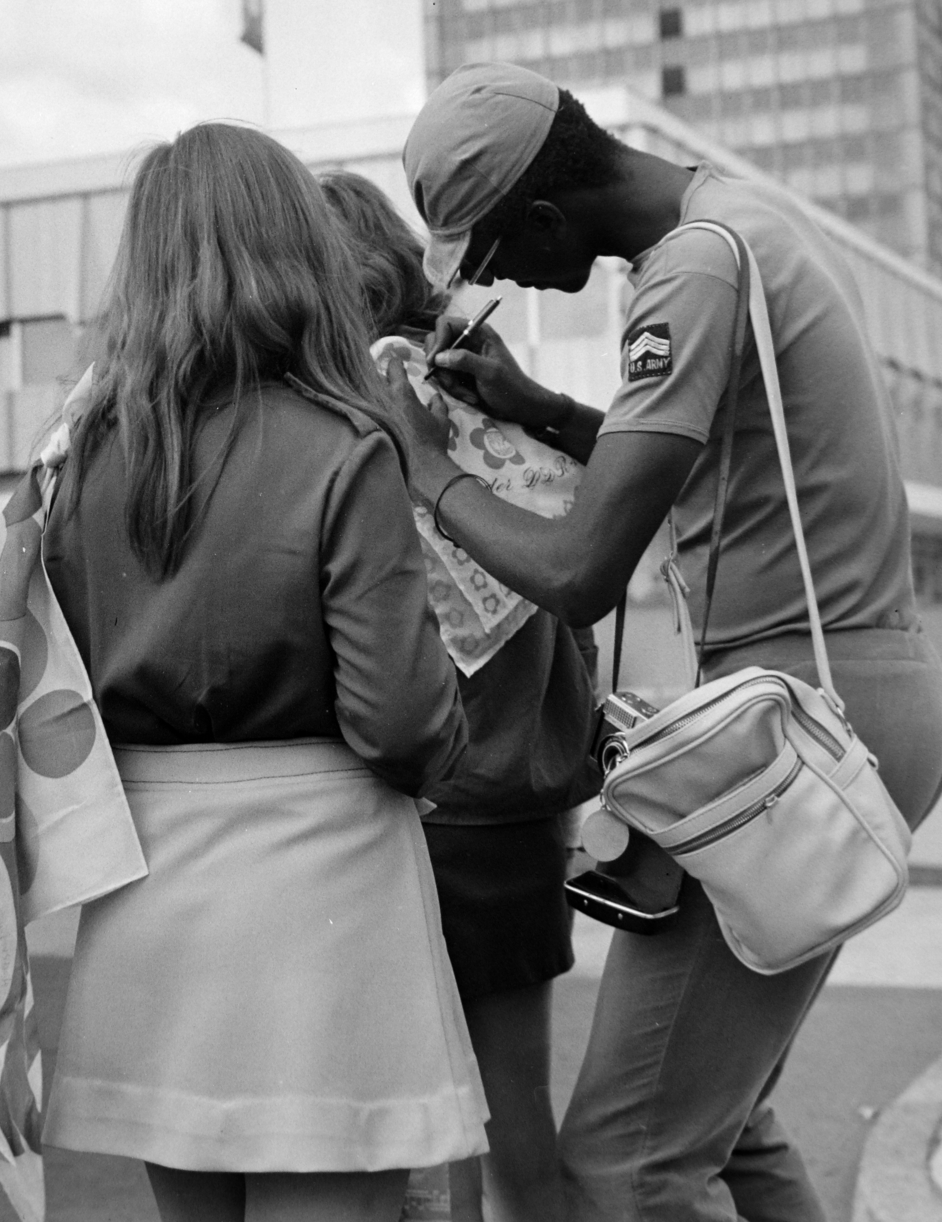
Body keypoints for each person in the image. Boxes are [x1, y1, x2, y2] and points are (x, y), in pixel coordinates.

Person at [386, 63, 942, 1222]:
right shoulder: (734, 225)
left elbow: (576, 570)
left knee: (626, 1164)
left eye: (493, 255)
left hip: (796, 711)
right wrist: (537, 407)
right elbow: (710, 454)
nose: (498, 282)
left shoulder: (688, 272)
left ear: (546, 214)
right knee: (723, 1121)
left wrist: (423, 463)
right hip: (855, 686)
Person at [41, 123, 488, 1222]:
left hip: (146, 876)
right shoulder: (344, 443)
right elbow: (398, 719)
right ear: (300, 252)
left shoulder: (88, 455)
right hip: (322, 882)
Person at [322, 170, 596, 1222]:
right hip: (526, 805)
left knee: (405, 1121)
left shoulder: (358, 430)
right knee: (514, 1109)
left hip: (423, 801)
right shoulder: (493, 402)